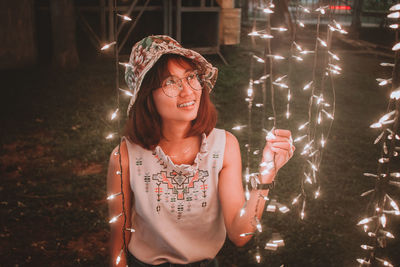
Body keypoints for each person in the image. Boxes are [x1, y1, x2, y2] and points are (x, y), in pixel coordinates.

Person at [107, 35, 295, 267]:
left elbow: (240, 234)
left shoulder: (224, 146)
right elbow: (119, 242)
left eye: (191, 77)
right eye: (170, 82)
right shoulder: (125, 156)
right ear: (147, 96)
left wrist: (267, 175)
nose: (188, 91)